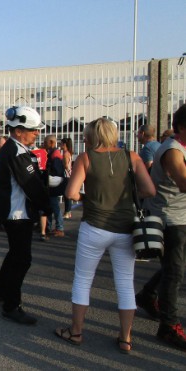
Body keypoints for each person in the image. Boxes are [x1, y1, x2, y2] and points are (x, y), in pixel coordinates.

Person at [55, 117, 154, 353]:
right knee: (124, 282)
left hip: (95, 225)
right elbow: (149, 189)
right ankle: (125, 338)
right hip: (125, 227)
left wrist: (91, 198)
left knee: (83, 279)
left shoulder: (86, 158)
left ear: (92, 136)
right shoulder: (132, 157)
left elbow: (71, 193)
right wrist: (127, 197)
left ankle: (76, 331)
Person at [0, 106, 50, 325]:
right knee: (22, 259)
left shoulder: (12, 148)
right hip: (18, 214)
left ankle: (1, 291)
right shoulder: (15, 151)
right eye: (33, 130)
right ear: (18, 131)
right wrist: (48, 206)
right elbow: (31, 186)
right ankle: (11, 305)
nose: (37, 133)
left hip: (14, 212)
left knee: (14, 254)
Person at [141, 104, 186, 350]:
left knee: (174, 265)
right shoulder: (173, 151)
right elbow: (183, 182)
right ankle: (168, 326)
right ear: (181, 127)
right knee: (174, 271)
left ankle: (147, 294)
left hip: (181, 216)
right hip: (169, 218)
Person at [44, 135, 66, 238]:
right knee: (50, 206)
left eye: (45, 142)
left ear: (51, 142)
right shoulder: (52, 153)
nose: (44, 144)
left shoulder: (55, 155)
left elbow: (57, 172)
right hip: (51, 185)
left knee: (54, 206)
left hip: (53, 185)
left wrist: (47, 173)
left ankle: (59, 228)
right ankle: (49, 227)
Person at [60, 137, 74, 219]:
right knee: (66, 194)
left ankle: (67, 212)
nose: (60, 145)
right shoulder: (68, 153)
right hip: (68, 175)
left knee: (66, 195)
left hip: (66, 175)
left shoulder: (65, 153)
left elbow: (66, 165)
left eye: (61, 143)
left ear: (64, 144)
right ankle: (68, 211)